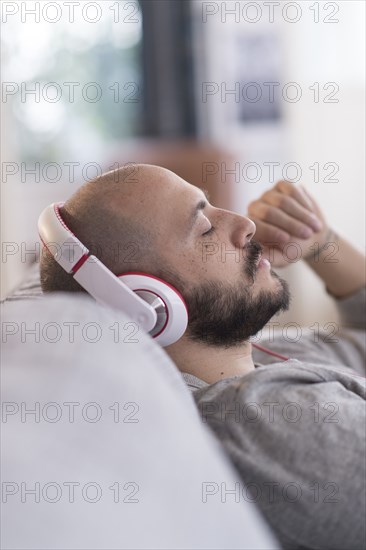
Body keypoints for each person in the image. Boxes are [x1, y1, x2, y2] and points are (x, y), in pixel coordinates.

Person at [40, 164, 366, 550]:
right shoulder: (260, 419)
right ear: (149, 304)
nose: (245, 224)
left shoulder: (262, 352)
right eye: (205, 229)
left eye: (211, 206)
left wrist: (321, 242)